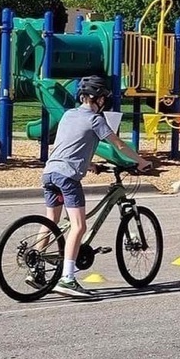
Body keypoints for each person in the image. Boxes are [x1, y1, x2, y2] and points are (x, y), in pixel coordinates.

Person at [39, 75, 152, 298]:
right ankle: (67, 279)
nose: (104, 102)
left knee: (51, 221)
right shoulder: (96, 119)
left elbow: (69, 145)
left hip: (50, 172)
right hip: (67, 177)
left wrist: (90, 164)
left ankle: (37, 267)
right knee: (79, 226)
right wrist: (140, 161)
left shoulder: (68, 115)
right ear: (97, 98)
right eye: (103, 98)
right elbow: (118, 144)